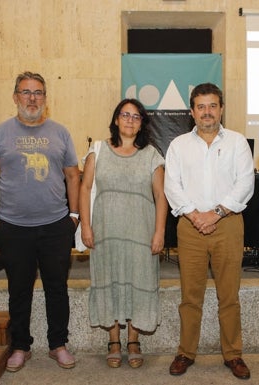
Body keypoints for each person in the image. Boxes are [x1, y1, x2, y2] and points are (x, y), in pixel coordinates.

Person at [0, 71, 80, 372]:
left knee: (56, 287)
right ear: (15, 97)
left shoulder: (60, 132)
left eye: (38, 92)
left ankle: (58, 344)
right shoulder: (0, 133)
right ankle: (20, 346)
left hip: (55, 226)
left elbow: (73, 175)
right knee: (19, 289)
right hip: (13, 227)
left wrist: (74, 216)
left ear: (45, 99)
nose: (32, 98)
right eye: (26, 92)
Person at [164, 82, 255, 380]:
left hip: (227, 224)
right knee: (191, 296)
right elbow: (172, 186)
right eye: (201, 106)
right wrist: (195, 215)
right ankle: (185, 352)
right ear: (192, 112)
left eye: (212, 105)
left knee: (229, 295)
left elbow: (245, 184)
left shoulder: (238, 142)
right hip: (190, 227)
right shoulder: (178, 145)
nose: (207, 112)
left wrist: (214, 214)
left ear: (221, 108)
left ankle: (233, 354)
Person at [79, 98, 167, 369]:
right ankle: (114, 341)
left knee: (138, 282)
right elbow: (84, 189)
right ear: (116, 119)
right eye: (124, 115)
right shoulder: (98, 152)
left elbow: (161, 197)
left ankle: (134, 341)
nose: (129, 120)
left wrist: (159, 233)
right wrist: (85, 225)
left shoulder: (152, 154)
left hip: (141, 233)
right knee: (110, 282)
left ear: (142, 123)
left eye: (136, 116)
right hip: (106, 232)